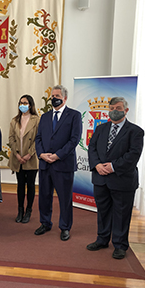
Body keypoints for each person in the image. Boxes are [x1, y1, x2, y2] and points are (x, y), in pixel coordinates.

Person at [87, 97, 144, 259]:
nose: (114, 111)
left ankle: (120, 245)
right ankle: (102, 239)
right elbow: (92, 148)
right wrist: (97, 165)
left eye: (118, 108)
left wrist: (112, 167)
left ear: (126, 110)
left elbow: (133, 155)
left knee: (121, 213)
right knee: (103, 211)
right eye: (111, 108)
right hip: (100, 178)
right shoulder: (101, 128)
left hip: (122, 179)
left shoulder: (136, 131)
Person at [34, 85, 82, 240]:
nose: (54, 98)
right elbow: (39, 138)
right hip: (45, 164)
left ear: (65, 98)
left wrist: (57, 155)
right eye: (52, 96)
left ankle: (65, 226)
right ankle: (45, 223)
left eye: (57, 96)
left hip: (63, 164)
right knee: (44, 196)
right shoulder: (45, 117)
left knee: (64, 198)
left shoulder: (74, 115)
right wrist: (41, 154)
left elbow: (74, 140)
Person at [8, 94, 39, 223]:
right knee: (20, 185)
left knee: (30, 185)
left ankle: (29, 211)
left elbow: (39, 139)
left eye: (25, 103)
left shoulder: (37, 119)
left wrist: (29, 154)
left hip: (31, 158)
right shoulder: (14, 120)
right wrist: (17, 154)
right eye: (21, 103)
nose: (23, 105)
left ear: (30, 105)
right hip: (18, 158)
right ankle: (20, 210)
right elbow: (11, 138)